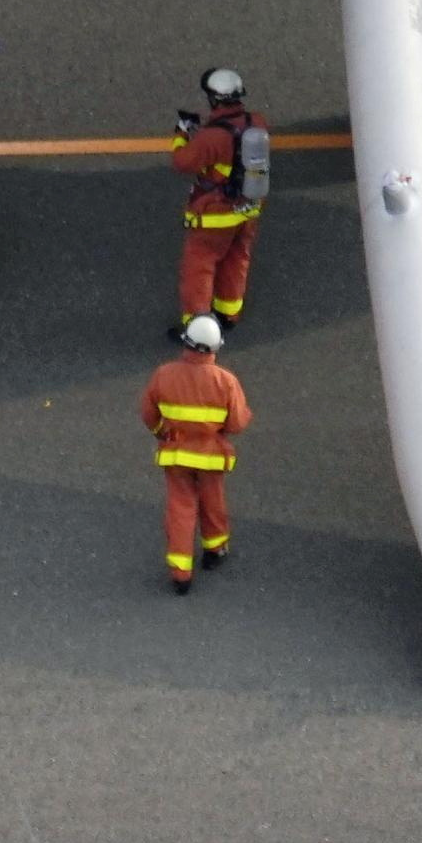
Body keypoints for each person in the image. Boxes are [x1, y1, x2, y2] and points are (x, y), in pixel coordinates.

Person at [142, 316, 252, 593]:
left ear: (186, 342)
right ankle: (215, 550)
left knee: (180, 508)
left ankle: (181, 573)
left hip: (176, 454)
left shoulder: (164, 374)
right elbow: (238, 423)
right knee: (213, 501)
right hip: (211, 456)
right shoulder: (226, 382)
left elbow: (148, 413)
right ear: (215, 348)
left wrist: (162, 432)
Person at [169, 67, 268, 336]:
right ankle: (228, 313)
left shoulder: (211, 137)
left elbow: (182, 161)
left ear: (214, 98)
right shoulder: (256, 121)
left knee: (199, 266)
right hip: (247, 209)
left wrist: (182, 133)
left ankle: (196, 326)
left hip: (215, 214)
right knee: (236, 259)